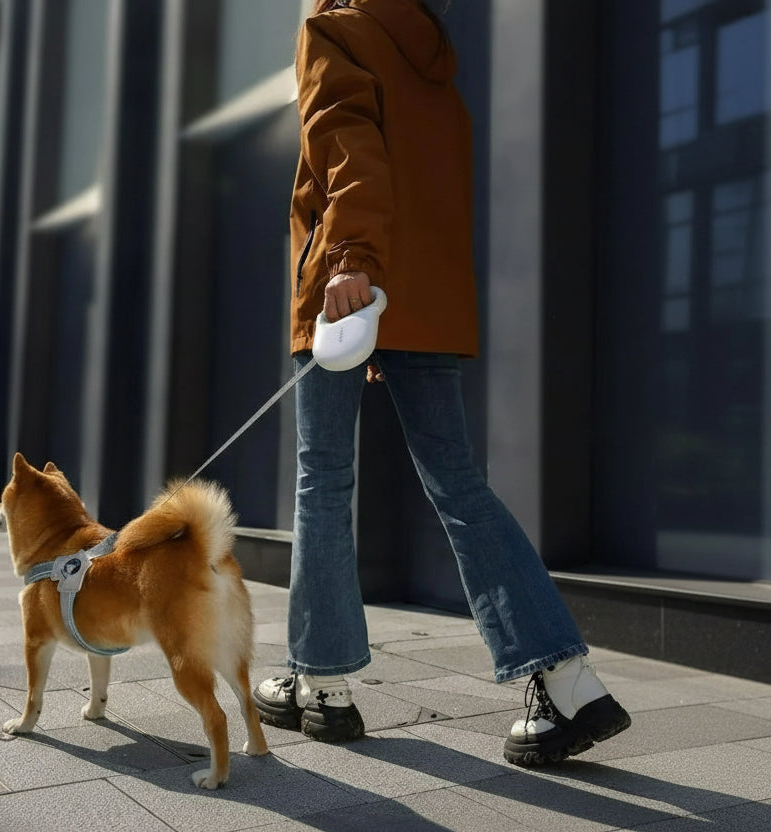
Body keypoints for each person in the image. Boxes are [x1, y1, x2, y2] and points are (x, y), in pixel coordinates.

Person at [250, 0, 631, 766]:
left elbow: (348, 149)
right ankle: (569, 680)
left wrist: (351, 260)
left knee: (323, 479)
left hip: (347, 287)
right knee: (456, 481)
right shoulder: (434, 58)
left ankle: (322, 685)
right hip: (423, 295)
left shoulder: (332, 30)